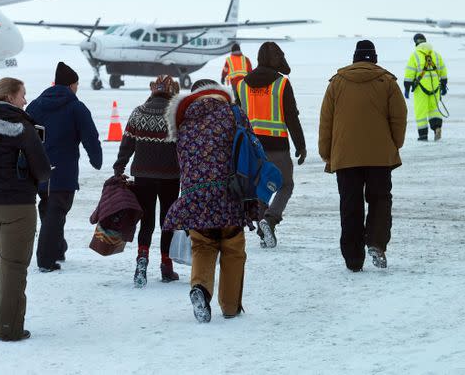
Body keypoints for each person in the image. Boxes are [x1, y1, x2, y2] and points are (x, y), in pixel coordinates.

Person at [163, 79, 258, 323]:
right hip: (229, 193)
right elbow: (250, 150)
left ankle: (200, 290)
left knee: (203, 245)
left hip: (196, 196)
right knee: (233, 247)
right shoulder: (233, 115)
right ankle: (230, 306)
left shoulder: (183, 123)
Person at [0, 77, 51, 342]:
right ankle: (10, 328)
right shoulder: (23, 127)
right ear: (10, 97)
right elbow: (41, 170)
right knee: (14, 265)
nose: (26, 100)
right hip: (16, 204)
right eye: (23, 95)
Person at [319, 40, 407, 271]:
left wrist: (326, 152)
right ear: (374, 58)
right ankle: (377, 243)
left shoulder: (336, 83)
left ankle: (353, 259)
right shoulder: (387, 81)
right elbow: (399, 117)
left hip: (345, 156)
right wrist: (394, 144)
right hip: (380, 156)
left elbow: (326, 121)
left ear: (354, 58)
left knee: (350, 205)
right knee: (380, 200)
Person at [26, 62, 102, 272]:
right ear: (71, 85)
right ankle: (46, 259)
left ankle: (58, 248)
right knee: (57, 211)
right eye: (76, 84)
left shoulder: (34, 105)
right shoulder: (76, 107)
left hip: (38, 170)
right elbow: (90, 137)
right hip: (64, 171)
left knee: (49, 207)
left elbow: (27, 135)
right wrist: (97, 160)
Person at [113, 75, 181, 287]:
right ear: (171, 91)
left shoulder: (138, 112)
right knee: (167, 221)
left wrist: (119, 167)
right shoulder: (176, 115)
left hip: (143, 175)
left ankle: (141, 264)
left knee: (147, 221)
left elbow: (127, 144)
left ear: (153, 90)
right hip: (171, 175)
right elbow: (185, 147)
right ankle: (166, 266)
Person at [236, 41, 306, 248]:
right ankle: (270, 220)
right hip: (277, 145)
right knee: (285, 184)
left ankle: (262, 230)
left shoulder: (241, 84)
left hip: (251, 147)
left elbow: (236, 118)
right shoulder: (281, 83)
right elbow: (291, 117)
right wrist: (300, 145)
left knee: (260, 187)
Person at [404, 33, 448, 141]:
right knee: (434, 109)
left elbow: (409, 73)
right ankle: (437, 127)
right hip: (435, 88)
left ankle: (423, 136)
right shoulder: (436, 55)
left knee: (421, 112)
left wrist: (407, 88)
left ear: (416, 42)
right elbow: (443, 71)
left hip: (421, 89)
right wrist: (443, 85)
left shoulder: (415, 56)